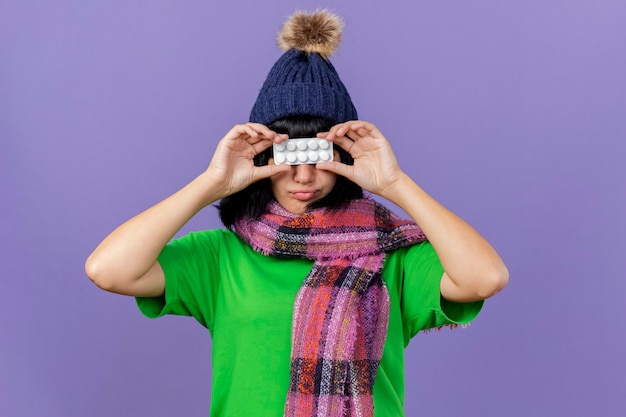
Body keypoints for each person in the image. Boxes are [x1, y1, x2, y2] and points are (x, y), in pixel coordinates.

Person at [85, 10, 508, 417]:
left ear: (342, 154)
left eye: (319, 155)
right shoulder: (220, 257)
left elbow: (484, 278)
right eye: (287, 155)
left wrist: (395, 184)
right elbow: (109, 270)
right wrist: (211, 183)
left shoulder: (391, 257)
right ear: (263, 153)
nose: (303, 176)